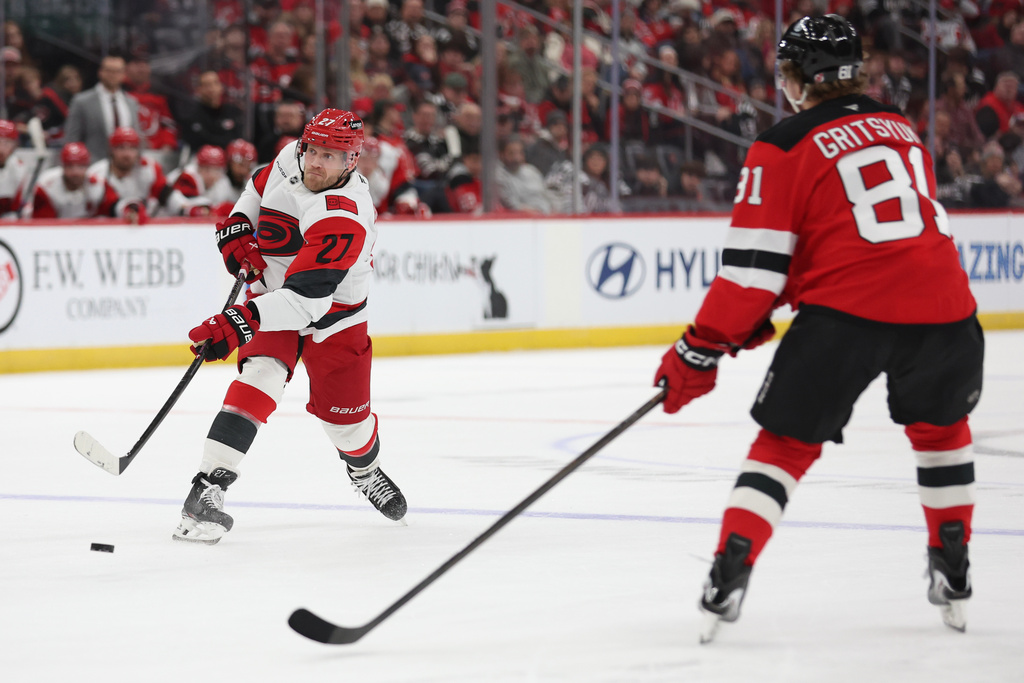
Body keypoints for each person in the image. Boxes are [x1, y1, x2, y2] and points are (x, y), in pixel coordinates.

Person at [652, 15, 984, 641]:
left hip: (847, 317)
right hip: (946, 311)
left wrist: (698, 349)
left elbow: (753, 273)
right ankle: (955, 569)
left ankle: (730, 570)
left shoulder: (780, 145)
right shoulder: (901, 129)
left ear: (801, 76)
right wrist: (775, 304)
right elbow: (874, 238)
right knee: (942, 435)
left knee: (783, 447)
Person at [172, 109, 407, 545]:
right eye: (312, 150)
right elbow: (257, 187)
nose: (316, 162)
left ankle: (364, 469)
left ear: (351, 162)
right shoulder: (291, 157)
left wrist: (240, 320)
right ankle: (206, 490)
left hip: (333, 318)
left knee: (348, 428)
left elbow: (308, 303)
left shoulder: (345, 214)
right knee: (261, 375)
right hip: (273, 296)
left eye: (331, 156)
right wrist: (239, 225)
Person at [64, 55, 143, 162]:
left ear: (124, 74)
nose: (113, 75)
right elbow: (72, 139)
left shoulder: (131, 102)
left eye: (117, 71)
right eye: (109, 71)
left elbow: (137, 138)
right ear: (100, 72)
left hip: (125, 168)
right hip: (93, 167)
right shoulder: (82, 102)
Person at [88, 126, 168, 223]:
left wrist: (185, 208)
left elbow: (167, 195)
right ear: (111, 150)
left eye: (132, 148)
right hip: (106, 230)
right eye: (121, 148)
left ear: (138, 151)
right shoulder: (96, 174)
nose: (127, 154)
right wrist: (129, 210)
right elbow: (109, 205)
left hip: (144, 226)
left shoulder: (149, 168)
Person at [25, 142, 112, 219]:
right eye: (70, 166)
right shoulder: (46, 185)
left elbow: (114, 206)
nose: (75, 172)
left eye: (81, 166)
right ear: (62, 166)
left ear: (87, 166)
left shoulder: (97, 183)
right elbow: (44, 223)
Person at [0, 119, 29, 217]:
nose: (1, 149)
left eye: (7, 143)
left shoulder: (18, 168)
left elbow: (13, 205)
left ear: (14, 146)